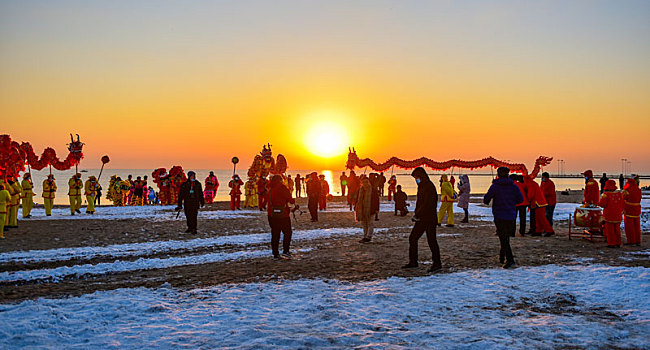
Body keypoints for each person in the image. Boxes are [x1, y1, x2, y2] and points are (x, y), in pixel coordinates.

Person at [402, 167, 441, 272]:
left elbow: (427, 204)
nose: (416, 180)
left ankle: (436, 263)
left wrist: (418, 214)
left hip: (428, 218)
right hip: (422, 217)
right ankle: (413, 261)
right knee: (414, 238)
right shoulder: (422, 186)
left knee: (430, 240)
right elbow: (420, 202)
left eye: (416, 177)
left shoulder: (428, 186)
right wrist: (417, 213)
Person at [484, 167, 523, 269]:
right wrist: (511, 203)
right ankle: (502, 256)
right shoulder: (513, 186)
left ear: (498, 174)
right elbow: (520, 199)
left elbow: (486, 198)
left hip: (499, 214)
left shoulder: (495, 186)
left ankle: (510, 260)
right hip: (511, 215)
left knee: (503, 237)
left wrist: (489, 200)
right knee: (505, 236)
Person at [267, 174, 296, 259]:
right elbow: (290, 199)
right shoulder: (282, 188)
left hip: (271, 214)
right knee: (287, 233)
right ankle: (285, 251)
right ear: (280, 180)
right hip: (283, 215)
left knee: (275, 234)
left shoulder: (270, 188)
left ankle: (275, 253)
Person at [599, 179, 623, 248]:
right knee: (617, 230)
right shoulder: (619, 194)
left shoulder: (605, 195)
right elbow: (622, 204)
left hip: (609, 215)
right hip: (618, 215)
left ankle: (612, 243)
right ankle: (618, 242)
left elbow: (602, 204)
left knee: (610, 230)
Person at [356, 177, 380, 243]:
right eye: (363, 182)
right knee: (364, 223)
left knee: (370, 223)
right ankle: (365, 236)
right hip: (362, 209)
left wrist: (377, 209)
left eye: (366, 182)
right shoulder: (360, 190)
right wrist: (357, 207)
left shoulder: (373, 190)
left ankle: (369, 236)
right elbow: (358, 200)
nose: (365, 183)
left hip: (371, 209)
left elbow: (376, 200)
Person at [622, 177, 641, 246]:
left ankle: (631, 241)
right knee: (637, 225)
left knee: (630, 226)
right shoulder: (638, 190)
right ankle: (637, 240)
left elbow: (622, 198)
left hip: (629, 209)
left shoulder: (627, 190)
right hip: (637, 209)